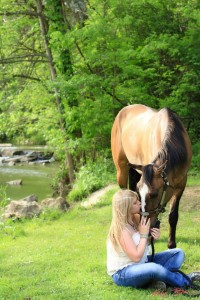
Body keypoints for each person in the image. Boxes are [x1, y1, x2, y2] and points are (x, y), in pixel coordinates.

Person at [107, 189, 200, 290]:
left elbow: (141, 244)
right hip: (123, 273)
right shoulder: (122, 230)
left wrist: (151, 237)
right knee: (154, 268)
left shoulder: (136, 218)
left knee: (178, 253)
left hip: (142, 263)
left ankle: (158, 280)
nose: (139, 203)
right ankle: (186, 281)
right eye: (135, 202)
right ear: (127, 208)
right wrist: (143, 234)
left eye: (137, 200)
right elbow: (136, 257)